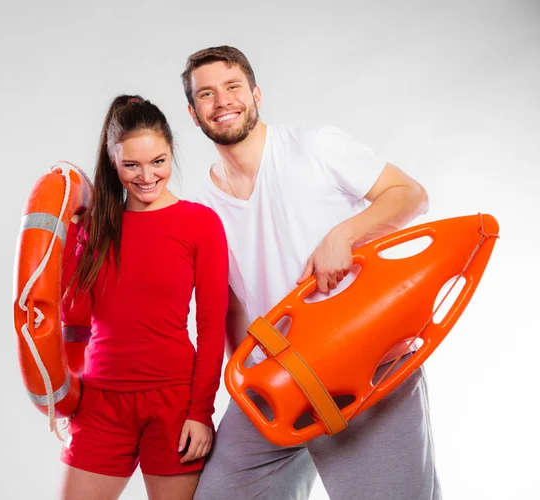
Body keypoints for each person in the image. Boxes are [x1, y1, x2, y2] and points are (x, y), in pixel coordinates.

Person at [181, 46, 441, 500]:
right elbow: (232, 307)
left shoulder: (315, 145)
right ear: (192, 112)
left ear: (256, 93)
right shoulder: (203, 209)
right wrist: (246, 380)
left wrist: (344, 233)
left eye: (232, 86)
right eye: (206, 94)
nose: (222, 101)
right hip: (280, 377)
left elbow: (409, 195)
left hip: (368, 360)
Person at [58, 95, 229, 500]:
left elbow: (211, 326)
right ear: (112, 160)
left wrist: (200, 413)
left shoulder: (199, 224)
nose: (147, 176)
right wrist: (73, 238)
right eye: (131, 164)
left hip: (173, 403)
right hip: (100, 402)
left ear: (172, 153)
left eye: (159, 161)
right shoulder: (97, 227)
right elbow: (73, 312)